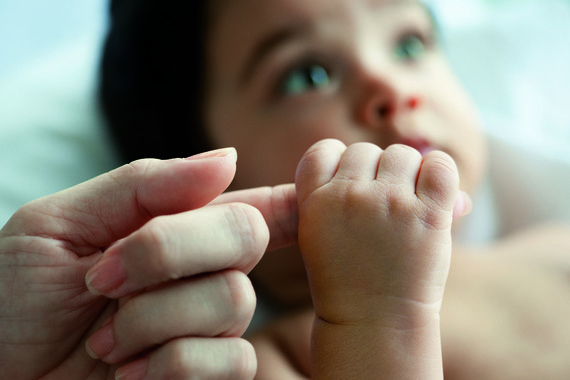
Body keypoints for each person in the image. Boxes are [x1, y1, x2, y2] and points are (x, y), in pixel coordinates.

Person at [98, 0, 570, 379]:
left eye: (408, 44)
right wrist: (377, 318)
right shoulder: (269, 361)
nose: (390, 86)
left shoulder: (552, 245)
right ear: (201, 180)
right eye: (309, 75)